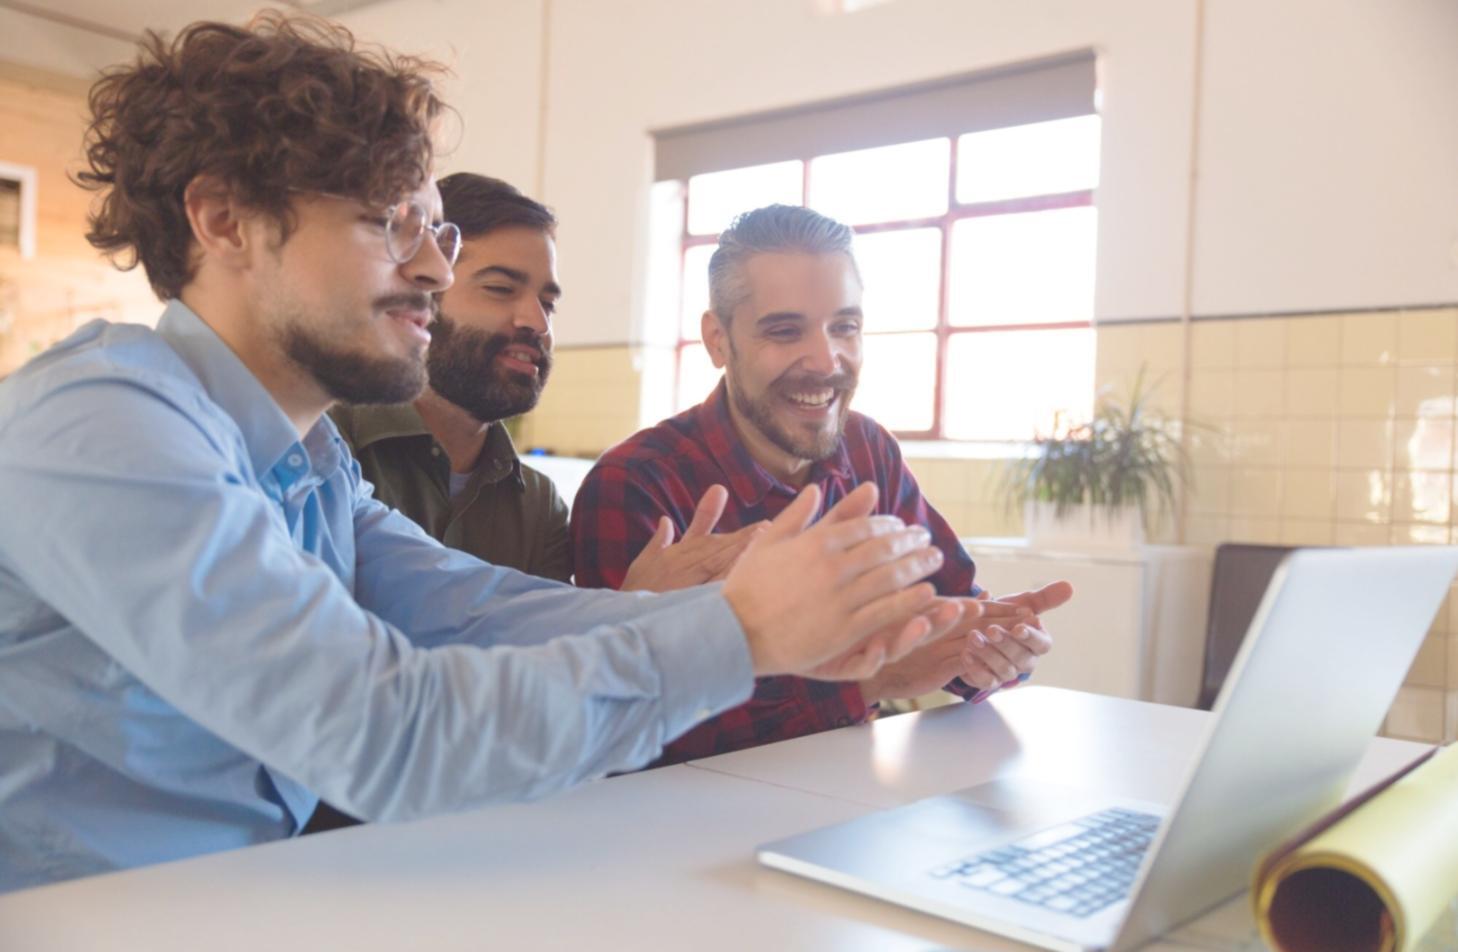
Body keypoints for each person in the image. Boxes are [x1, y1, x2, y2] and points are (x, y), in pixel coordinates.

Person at [0, 18, 969, 892]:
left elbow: (474, 609)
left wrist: (730, 610)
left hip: (244, 900)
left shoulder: (311, 456)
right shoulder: (105, 421)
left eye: (438, 230)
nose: (433, 267)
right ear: (223, 220)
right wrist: (739, 634)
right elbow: (384, 729)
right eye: (390, 223)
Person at [572, 204, 1071, 765]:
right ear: (718, 340)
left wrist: (992, 651)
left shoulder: (868, 450)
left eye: (845, 327)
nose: (825, 358)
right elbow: (636, 732)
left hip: (847, 796)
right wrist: (866, 683)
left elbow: (951, 609)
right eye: (785, 331)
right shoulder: (637, 484)